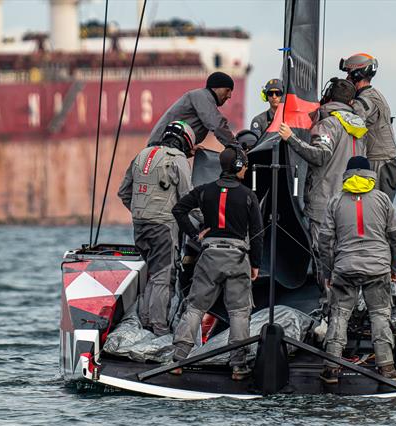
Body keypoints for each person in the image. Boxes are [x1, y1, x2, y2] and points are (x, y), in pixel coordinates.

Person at [171, 147, 263, 381]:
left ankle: (179, 359)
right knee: (239, 312)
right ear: (239, 167)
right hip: (237, 258)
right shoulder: (248, 195)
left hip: (209, 256)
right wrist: (255, 264)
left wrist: (195, 235)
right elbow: (257, 234)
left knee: (195, 308)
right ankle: (238, 366)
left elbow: (178, 209)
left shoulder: (204, 191)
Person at [317, 156, 396, 384]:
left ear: (347, 174)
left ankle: (331, 368)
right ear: (370, 175)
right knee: (379, 315)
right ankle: (386, 367)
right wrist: (394, 267)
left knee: (339, 315)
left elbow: (324, 241)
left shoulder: (335, 201)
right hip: (377, 269)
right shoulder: (383, 199)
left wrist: (327, 273)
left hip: (345, 268)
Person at [278, 77, 367, 300]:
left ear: (328, 96)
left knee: (324, 258)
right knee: (347, 257)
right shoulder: (359, 127)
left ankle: (331, 310)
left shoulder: (328, 124)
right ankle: (349, 306)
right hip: (351, 203)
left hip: (325, 203)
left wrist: (291, 139)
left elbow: (320, 155)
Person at [117, 121, 196, 336]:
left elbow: (124, 192)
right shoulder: (177, 160)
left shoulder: (141, 155)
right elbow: (187, 198)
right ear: (185, 142)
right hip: (163, 227)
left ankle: (144, 324)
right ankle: (159, 329)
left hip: (140, 226)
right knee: (163, 277)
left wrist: (141, 212)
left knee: (152, 273)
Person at [340, 53, 396, 201]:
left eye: (349, 73)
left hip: (379, 165)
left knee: (375, 210)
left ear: (357, 74)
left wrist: (333, 110)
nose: (347, 78)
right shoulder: (374, 95)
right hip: (384, 163)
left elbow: (354, 123)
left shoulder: (366, 100)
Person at [148, 71, 239, 149]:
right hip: (159, 147)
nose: (229, 95)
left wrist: (188, 149)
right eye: (227, 90)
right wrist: (236, 147)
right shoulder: (202, 96)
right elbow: (218, 125)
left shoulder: (203, 98)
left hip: (166, 147)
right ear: (215, 87)